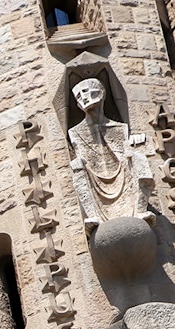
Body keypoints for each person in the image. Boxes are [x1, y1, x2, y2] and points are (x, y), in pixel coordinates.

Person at [67, 77, 154, 228]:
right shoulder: (75, 132)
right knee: (77, 166)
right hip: (93, 178)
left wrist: (136, 142)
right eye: (78, 96)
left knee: (138, 157)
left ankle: (139, 210)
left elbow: (130, 153)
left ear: (100, 93)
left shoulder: (119, 128)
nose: (83, 97)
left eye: (86, 91)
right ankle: (93, 216)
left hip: (122, 177)